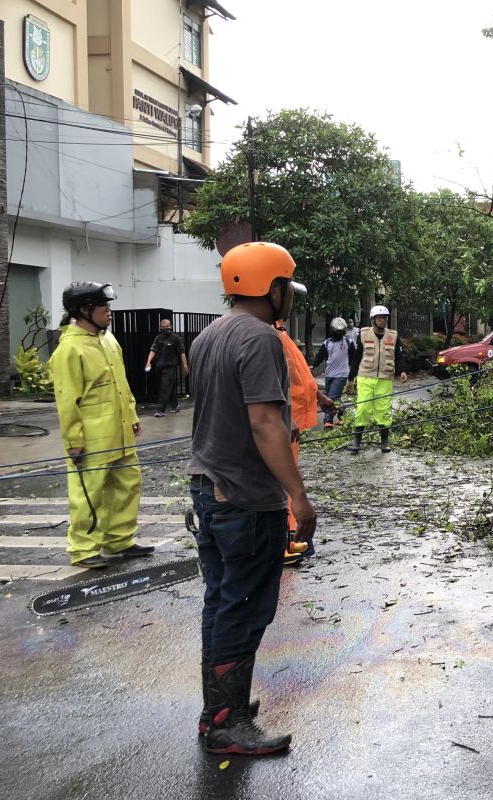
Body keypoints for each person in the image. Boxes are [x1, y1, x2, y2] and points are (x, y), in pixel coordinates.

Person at [187, 241, 316, 756]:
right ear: (274, 288)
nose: (291, 297)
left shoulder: (209, 335)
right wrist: (298, 497)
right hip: (244, 498)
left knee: (221, 601)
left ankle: (220, 707)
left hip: (209, 489)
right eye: (288, 287)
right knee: (243, 605)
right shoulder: (262, 338)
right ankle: (226, 723)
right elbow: (264, 423)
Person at [49, 282, 153, 569]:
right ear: (84, 310)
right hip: (92, 436)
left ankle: (119, 540)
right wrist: (74, 440)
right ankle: (83, 550)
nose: (109, 312)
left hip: (119, 431)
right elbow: (67, 399)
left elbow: (123, 385)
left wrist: (131, 417)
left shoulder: (108, 340)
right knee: (88, 493)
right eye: (103, 307)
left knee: (127, 484)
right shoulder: (70, 349)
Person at [275, 316, 335, 566]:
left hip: (292, 417)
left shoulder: (280, 332)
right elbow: (275, 380)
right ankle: (283, 542)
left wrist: (319, 397)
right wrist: (285, 418)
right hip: (283, 421)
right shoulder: (269, 335)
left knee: (287, 477)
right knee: (282, 479)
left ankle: (287, 537)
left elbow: (298, 375)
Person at [348, 304, 407, 454]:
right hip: (365, 377)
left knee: (383, 411)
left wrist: (402, 371)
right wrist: (350, 378)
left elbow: (399, 356)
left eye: (385, 318)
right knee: (363, 409)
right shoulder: (363, 334)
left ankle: (384, 442)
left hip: (385, 379)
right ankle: (357, 442)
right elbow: (356, 357)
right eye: (380, 318)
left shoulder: (393, 335)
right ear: (373, 320)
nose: (383, 320)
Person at [310, 317, 356, 430]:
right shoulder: (326, 343)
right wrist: (313, 365)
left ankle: (328, 420)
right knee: (335, 398)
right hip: (329, 374)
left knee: (332, 397)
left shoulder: (348, 343)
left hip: (341, 374)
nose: (338, 334)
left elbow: (354, 358)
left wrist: (351, 373)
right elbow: (320, 356)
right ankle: (343, 416)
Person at [145, 318, 188, 417]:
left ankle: (160, 410)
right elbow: (153, 350)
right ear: (160, 327)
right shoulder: (158, 338)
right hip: (159, 366)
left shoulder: (176, 338)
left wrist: (185, 365)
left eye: (167, 326)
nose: (165, 328)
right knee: (168, 387)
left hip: (170, 367)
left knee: (165, 387)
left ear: (171, 326)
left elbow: (182, 353)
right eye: (163, 327)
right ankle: (175, 405)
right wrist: (148, 362)